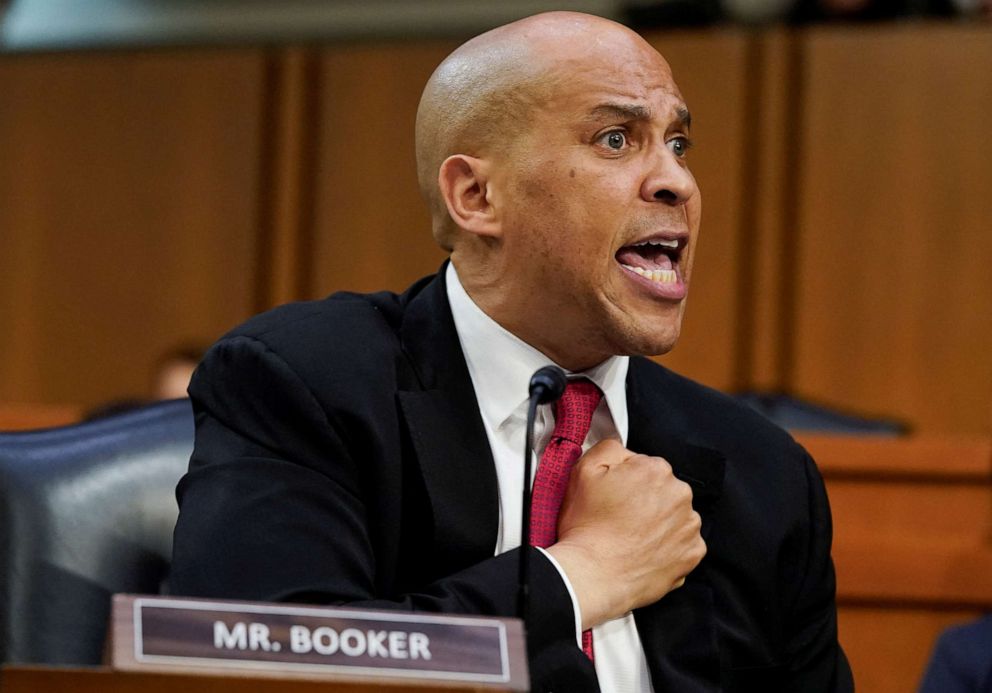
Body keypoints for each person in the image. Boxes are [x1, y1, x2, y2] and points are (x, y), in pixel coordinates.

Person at [171, 11, 853, 692]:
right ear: (475, 195)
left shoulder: (763, 476)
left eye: (677, 143)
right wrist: (581, 573)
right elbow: (269, 666)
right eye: (616, 139)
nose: (676, 181)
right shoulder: (308, 386)